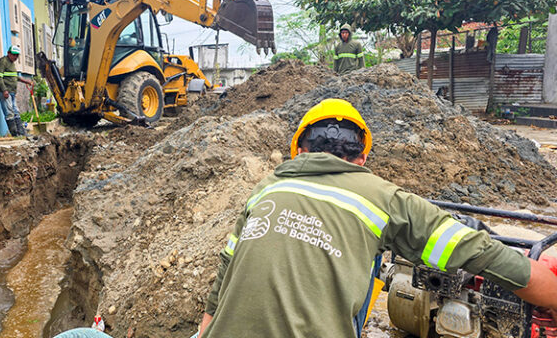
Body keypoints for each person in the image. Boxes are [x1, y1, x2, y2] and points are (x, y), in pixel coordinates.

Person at [197, 98, 557, 338]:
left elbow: (222, 280)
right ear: (363, 157)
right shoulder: (383, 198)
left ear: (300, 151)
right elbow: (484, 254)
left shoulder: (266, 188)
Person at [0, 45, 33, 136]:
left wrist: (25, 81)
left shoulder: (12, 64)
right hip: (5, 92)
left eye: (17, 55)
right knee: (9, 112)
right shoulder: (3, 61)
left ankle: (21, 132)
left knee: (15, 111)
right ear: (9, 53)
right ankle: (15, 134)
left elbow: (14, 76)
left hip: (12, 92)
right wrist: (4, 90)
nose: (15, 57)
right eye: (14, 55)